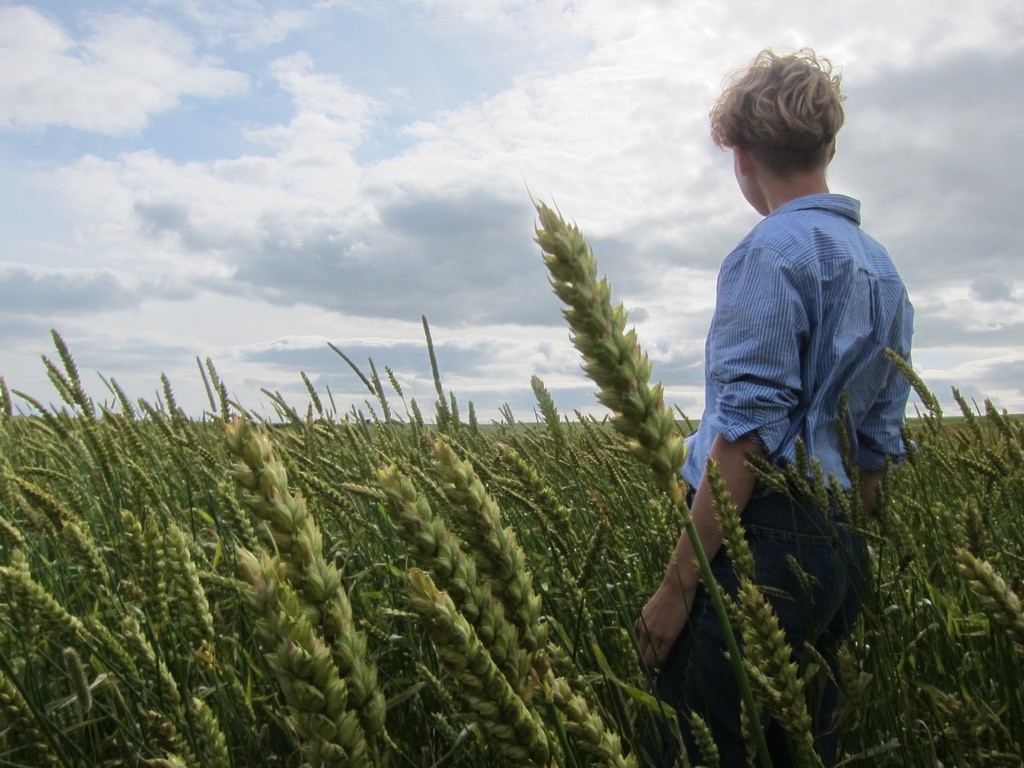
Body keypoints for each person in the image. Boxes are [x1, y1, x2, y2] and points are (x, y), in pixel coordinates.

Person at [635, 48, 914, 766]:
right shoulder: (882, 269)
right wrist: (838, 558)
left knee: (697, 747)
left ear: (743, 159)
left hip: (759, 541)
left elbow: (746, 437)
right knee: (799, 747)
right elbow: (877, 448)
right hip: (841, 547)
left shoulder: (768, 253)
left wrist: (675, 587)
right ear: (827, 147)